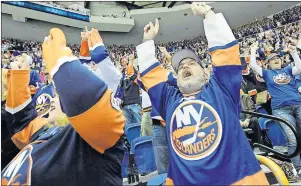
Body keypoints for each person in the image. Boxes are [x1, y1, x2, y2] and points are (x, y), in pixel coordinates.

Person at [135, 2, 268, 185]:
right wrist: (147, 41)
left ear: (206, 73)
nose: (185, 66)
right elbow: (150, 75)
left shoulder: (221, 89)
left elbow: (226, 52)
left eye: (191, 63)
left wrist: (207, 13)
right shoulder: (168, 100)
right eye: (180, 67)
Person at [2, 28, 125, 185]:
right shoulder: (51, 132)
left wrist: (61, 63)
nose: (52, 100)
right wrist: (19, 77)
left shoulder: (94, 141)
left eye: (58, 95)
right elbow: (23, 126)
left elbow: (87, 99)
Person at [249, 41, 301, 176]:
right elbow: (253, 65)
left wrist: (294, 53)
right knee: (292, 139)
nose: (276, 60)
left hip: (298, 104)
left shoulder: (288, 69)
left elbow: (299, 68)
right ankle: (298, 168)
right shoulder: (267, 73)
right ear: (269, 63)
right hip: (281, 110)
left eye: (277, 58)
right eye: (272, 59)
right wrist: (253, 50)